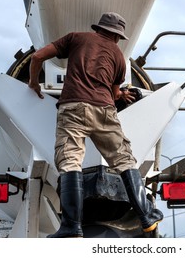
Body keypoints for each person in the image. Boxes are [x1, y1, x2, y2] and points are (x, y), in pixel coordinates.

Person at [28, 12, 163, 238]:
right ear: (118, 36)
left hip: (73, 108)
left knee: (70, 162)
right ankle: (147, 217)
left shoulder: (76, 38)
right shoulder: (119, 57)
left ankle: (72, 226)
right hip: (105, 111)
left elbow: (37, 57)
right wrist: (121, 96)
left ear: (99, 28)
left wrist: (34, 82)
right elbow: (114, 92)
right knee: (124, 160)